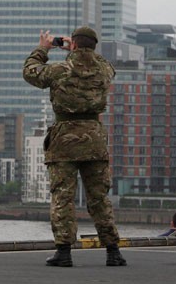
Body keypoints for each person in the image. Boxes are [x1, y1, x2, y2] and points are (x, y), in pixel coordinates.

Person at [23, 26, 126, 267]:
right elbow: (107, 66)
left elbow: (30, 72)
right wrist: (83, 51)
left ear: (75, 44)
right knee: (99, 197)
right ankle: (113, 251)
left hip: (64, 140)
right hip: (94, 140)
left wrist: (43, 48)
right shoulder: (104, 69)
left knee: (63, 196)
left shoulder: (60, 70)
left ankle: (64, 252)